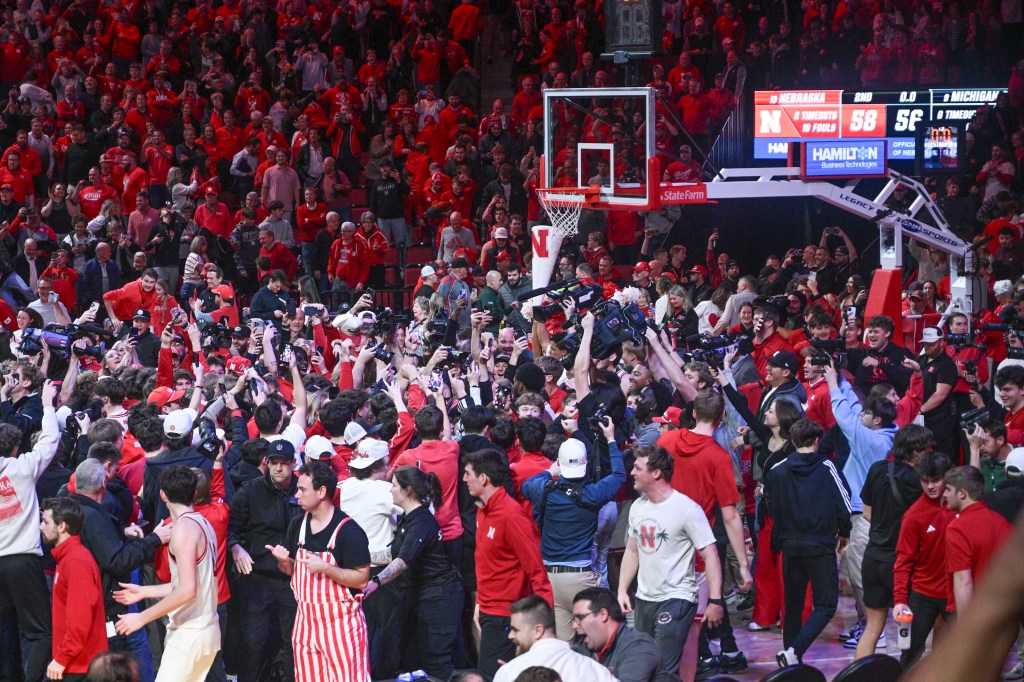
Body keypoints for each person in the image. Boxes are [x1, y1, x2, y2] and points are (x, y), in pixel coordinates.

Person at [617, 445, 724, 678]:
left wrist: (715, 600)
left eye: (638, 467)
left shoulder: (687, 509)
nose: (632, 472)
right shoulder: (637, 507)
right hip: (645, 599)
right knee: (645, 666)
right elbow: (633, 552)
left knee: (664, 668)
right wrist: (623, 590)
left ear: (656, 473)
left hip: (677, 598)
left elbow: (710, 554)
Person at [519, 417, 626, 640]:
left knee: (564, 648)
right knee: (597, 643)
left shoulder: (544, 490)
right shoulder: (593, 494)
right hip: (580, 578)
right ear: (585, 464)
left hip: (550, 578)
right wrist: (611, 439)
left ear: (560, 462)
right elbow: (618, 475)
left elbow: (525, 486)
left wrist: (550, 470)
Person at [113, 466, 221, 682]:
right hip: (205, 630)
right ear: (194, 493)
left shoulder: (182, 529)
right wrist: (144, 591)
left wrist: (141, 617)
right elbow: (188, 584)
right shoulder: (203, 523)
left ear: (163, 494)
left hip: (190, 634)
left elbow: (187, 590)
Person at [267, 460, 372, 682]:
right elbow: (292, 572)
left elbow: (362, 580)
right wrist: (284, 562)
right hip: (305, 624)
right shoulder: (298, 524)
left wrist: (326, 568)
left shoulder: (348, 531)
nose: (297, 495)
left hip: (341, 628)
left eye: (303, 489)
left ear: (322, 491)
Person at [362, 465, 464, 678]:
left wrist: (375, 582)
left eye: (395, 486)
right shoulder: (408, 519)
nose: (390, 490)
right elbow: (393, 553)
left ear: (407, 490)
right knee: (414, 658)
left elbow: (402, 561)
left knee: (438, 663)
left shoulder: (421, 522)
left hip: (439, 598)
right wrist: (359, 559)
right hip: (421, 596)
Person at [766, 419, 853, 667]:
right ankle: (794, 652)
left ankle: (791, 661)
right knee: (826, 604)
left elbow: (773, 506)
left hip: (790, 546)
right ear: (817, 441)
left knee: (792, 607)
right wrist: (844, 531)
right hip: (820, 545)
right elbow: (844, 504)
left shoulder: (777, 470)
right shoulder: (828, 466)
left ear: (792, 442)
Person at [463, 449, 553, 678]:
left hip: (507, 616)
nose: (464, 479)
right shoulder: (483, 511)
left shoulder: (512, 516)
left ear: (483, 478)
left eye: (467, 473)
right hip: (488, 611)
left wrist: (545, 627)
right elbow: (488, 563)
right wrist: (479, 603)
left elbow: (537, 573)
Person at [227, 439, 301, 682]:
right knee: (253, 641)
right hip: (257, 579)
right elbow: (230, 529)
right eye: (274, 463)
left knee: (292, 642)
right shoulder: (249, 491)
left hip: (293, 578)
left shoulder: (304, 490)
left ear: (293, 464)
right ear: (266, 463)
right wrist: (235, 547)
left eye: (284, 463)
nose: (279, 468)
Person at [0, 379, 59, 682]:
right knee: (40, 633)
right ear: (16, 447)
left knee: (4, 631)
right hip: (23, 559)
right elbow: (49, 440)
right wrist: (48, 404)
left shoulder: (21, 465)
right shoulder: (22, 467)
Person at [853, 425, 928, 658]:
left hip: (873, 558)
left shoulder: (877, 469)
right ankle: (906, 672)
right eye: (928, 449)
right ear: (916, 452)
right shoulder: (920, 480)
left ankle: (859, 677)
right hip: (900, 565)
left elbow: (866, 511)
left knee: (873, 628)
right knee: (906, 629)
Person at [892, 451, 955, 668]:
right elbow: (903, 561)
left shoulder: (961, 507)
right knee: (909, 654)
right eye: (925, 481)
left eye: (935, 480)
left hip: (956, 594)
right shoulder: (913, 516)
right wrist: (900, 600)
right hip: (923, 595)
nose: (930, 486)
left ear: (947, 477)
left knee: (964, 653)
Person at [41, 496, 109, 682]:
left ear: (62, 526)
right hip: (75, 664)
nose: (41, 527)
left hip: (80, 667)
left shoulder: (75, 562)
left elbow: (80, 620)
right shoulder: (67, 559)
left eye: (46, 522)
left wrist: (62, 658)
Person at [493, 595, 617, 682]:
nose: (511, 635)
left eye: (515, 630)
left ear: (538, 631)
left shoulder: (510, 672)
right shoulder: (595, 670)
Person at [942, 465, 1013, 614]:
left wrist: (965, 630)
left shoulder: (957, 528)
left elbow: (964, 581)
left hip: (978, 618)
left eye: (948, 489)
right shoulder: (1002, 522)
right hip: (1005, 614)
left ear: (962, 493)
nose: (944, 495)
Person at [570, 588, 663, 682]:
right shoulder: (582, 650)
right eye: (574, 620)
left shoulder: (640, 647)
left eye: (579, 618)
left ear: (603, 615)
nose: (574, 626)